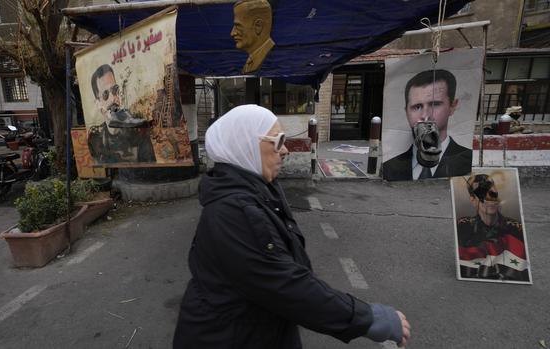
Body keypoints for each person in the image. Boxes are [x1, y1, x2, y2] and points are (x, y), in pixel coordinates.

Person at [172, 104, 411, 348]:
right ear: (245, 145)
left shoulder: (254, 190)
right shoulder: (235, 211)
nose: (285, 150)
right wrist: (368, 318)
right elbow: (286, 285)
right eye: (278, 141)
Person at [382, 69, 472, 181]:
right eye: (417, 107)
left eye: (435, 104)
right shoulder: (389, 166)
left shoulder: (469, 162)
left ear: (452, 106)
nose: (425, 116)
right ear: (406, 111)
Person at [456, 174, 530, 282]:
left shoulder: (516, 228)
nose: (490, 200)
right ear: (472, 200)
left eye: (493, 194)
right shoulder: (462, 226)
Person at [87, 64, 156, 163]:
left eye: (114, 89)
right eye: (105, 94)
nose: (113, 98)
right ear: (98, 104)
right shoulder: (96, 138)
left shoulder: (138, 132)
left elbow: (149, 166)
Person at [231, 0, 275, 74]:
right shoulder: (250, 62)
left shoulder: (270, 59)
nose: (232, 33)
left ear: (258, 26)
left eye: (238, 26)